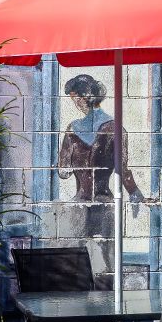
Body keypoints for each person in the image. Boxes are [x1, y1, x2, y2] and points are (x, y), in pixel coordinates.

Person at [58, 73, 146, 288]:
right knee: (108, 260)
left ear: (83, 97)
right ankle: (107, 308)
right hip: (105, 204)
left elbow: (63, 170)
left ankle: (82, 308)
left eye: (75, 97)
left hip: (79, 204)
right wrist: (135, 192)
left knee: (76, 259)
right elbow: (123, 170)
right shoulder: (115, 130)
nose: (75, 103)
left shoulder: (72, 129)